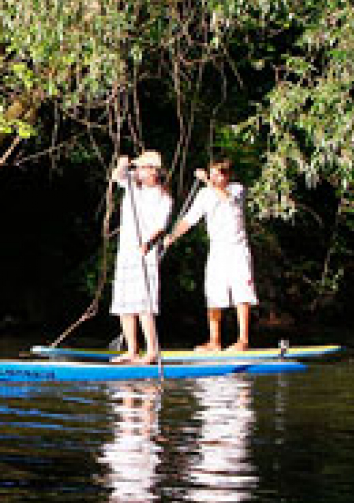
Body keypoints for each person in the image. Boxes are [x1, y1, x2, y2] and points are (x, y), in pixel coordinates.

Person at [163, 158, 257, 351]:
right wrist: (173, 235)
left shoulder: (236, 190)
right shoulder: (204, 194)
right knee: (213, 294)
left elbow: (225, 198)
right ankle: (214, 341)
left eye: (218, 174)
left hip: (237, 249)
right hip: (217, 250)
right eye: (212, 173)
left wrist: (207, 180)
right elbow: (190, 219)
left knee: (241, 293)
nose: (214, 178)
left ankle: (243, 340)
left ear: (227, 176)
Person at [110, 151, 172, 364]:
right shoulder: (132, 188)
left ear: (153, 171)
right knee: (124, 303)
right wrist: (122, 163)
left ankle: (152, 351)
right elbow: (117, 176)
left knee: (144, 303)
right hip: (126, 251)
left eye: (142, 168)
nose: (137, 171)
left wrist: (147, 242)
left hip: (145, 253)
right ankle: (131, 350)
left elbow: (160, 226)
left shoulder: (164, 197)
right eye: (137, 168)